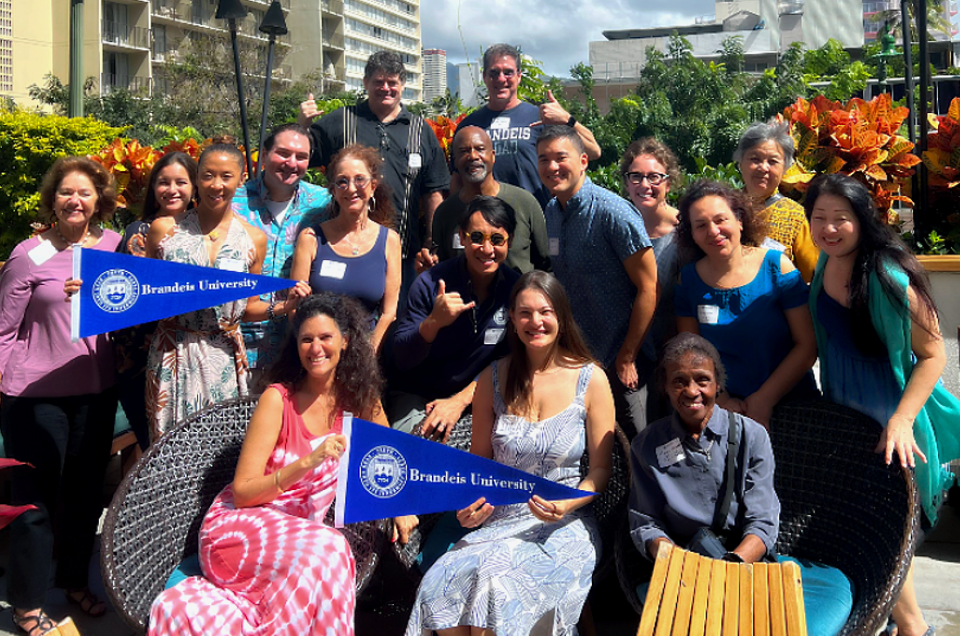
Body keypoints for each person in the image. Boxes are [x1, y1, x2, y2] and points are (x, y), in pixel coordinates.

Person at [149, 293, 416, 636]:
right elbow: (243, 493)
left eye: (325, 337)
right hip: (237, 532)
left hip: (301, 543)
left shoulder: (360, 399)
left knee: (320, 556)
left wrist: (398, 505)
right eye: (306, 339)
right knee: (331, 547)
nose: (315, 348)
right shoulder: (278, 399)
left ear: (346, 341)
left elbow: (391, 456)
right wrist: (308, 461)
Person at [406, 270, 616, 636]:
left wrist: (567, 503)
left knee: (497, 589)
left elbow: (600, 469)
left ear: (561, 317)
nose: (535, 322)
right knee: (439, 583)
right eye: (525, 313)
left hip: (563, 524)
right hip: (499, 522)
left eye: (545, 312)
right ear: (513, 321)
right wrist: (471, 507)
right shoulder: (493, 378)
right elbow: (479, 465)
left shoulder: (591, 378)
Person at [806, 174, 960, 636]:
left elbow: (934, 355)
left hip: (895, 429)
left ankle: (913, 628)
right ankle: (903, 626)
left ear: (862, 220)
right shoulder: (823, 268)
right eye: (819, 218)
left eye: (841, 219)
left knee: (888, 532)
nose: (829, 229)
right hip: (849, 426)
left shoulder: (888, 278)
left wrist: (901, 419)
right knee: (875, 534)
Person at [0, 157, 122, 636]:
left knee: (86, 494)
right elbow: (4, 329)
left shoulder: (113, 247)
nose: (76, 200)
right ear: (53, 200)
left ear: (99, 201)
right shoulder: (29, 254)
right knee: (35, 504)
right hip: (35, 394)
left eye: (85, 193)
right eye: (66, 192)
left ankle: (72, 580)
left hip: (95, 392)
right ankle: (26, 603)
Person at [143, 143, 310, 440]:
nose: (216, 185)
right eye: (207, 175)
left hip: (223, 357)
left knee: (215, 446)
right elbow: (140, 293)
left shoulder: (253, 239)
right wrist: (88, 291)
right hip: (172, 352)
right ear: (197, 178)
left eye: (226, 176)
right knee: (167, 446)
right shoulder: (164, 229)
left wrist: (284, 307)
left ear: (241, 178)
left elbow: (248, 308)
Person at [298, 51, 450, 305]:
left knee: (397, 328)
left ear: (403, 85)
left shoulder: (420, 130)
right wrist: (302, 126)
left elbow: (434, 191)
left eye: (392, 82)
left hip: (405, 255)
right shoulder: (341, 121)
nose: (386, 88)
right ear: (366, 83)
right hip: (344, 251)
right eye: (378, 82)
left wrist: (431, 242)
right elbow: (299, 159)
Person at [538, 124, 657, 437]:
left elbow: (649, 287)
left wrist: (628, 356)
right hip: (579, 361)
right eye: (543, 159)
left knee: (637, 450)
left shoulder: (613, 213)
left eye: (560, 157)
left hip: (622, 363)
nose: (552, 166)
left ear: (582, 161)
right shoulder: (551, 211)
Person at [629, 333, 779, 577]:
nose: (691, 391)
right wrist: (679, 563)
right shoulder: (647, 444)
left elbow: (763, 520)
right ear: (665, 387)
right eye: (679, 382)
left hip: (741, 561)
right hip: (681, 564)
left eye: (702, 380)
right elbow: (645, 522)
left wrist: (731, 567)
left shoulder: (751, 436)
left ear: (718, 384)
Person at [674, 180, 817, 427]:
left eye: (720, 220)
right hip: (725, 412)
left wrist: (765, 399)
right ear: (692, 234)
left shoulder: (777, 267)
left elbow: (807, 346)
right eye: (701, 225)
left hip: (792, 406)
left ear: (739, 221)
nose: (713, 231)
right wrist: (722, 397)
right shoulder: (687, 280)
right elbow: (693, 354)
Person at [389, 196, 521, 437]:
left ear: (509, 242)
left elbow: (512, 360)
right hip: (418, 396)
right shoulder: (430, 283)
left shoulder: (515, 291)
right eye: (477, 238)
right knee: (418, 449)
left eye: (498, 239)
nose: (487, 249)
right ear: (462, 237)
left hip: (478, 396)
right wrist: (433, 323)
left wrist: (461, 400)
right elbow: (401, 358)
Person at [233, 123, 331, 389]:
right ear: (263, 155)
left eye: (301, 157)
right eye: (283, 153)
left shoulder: (323, 204)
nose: (292, 163)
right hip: (238, 350)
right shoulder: (233, 202)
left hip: (297, 351)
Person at [112, 151, 198, 451]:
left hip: (194, 356)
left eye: (181, 182)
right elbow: (129, 295)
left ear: (194, 187)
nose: (172, 189)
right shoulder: (138, 234)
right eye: (163, 182)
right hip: (143, 361)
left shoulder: (209, 234)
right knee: (155, 450)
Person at [449, 43, 600, 210]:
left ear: (519, 76)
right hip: (485, 226)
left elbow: (593, 151)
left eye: (508, 72)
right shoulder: (469, 127)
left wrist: (566, 119)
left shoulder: (541, 118)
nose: (501, 79)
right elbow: (457, 179)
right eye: (494, 72)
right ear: (484, 77)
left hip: (534, 219)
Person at [291, 144, 401, 353]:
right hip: (317, 356)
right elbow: (295, 307)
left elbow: (389, 313)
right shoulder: (311, 239)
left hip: (365, 356)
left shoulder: (390, 241)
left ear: (373, 186)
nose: (351, 188)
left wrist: (366, 355)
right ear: (333, 190)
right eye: (342, 181)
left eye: (360, 179)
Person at [421, 125, 549, 274]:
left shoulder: (524, 202)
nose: (473, 156)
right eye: (464, 151)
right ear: (454, 162)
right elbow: (440, 268)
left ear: (493, 156)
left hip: (518, 294)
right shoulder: (445, 212)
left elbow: (546, 264)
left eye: (480, 149)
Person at [620, 137, 684, 422]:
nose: (644, 185)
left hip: (679, 350)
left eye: (654, 177)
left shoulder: (687, 229)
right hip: (634, 354)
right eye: (636, 176)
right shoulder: (619, 225)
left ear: (668, 182)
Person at [734, 119, 819, 282]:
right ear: (741, 162)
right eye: (755, 159)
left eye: (772, 161)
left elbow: (811, 277)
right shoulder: (724, 208)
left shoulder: (795, 216)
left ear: (785, 167)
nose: (763, 168)